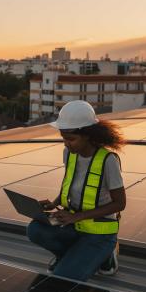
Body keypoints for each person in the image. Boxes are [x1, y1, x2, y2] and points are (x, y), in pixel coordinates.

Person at [27, 100, 126, 281]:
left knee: (64, 277)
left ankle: (106, 256)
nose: (66, 144)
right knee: (34, 230)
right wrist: (55, 203)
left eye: (70, 139)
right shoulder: (69, 153)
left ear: (87, 135)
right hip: (73, 226)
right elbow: (73, 184)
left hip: (99, 234)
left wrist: (77, 216)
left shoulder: (108, 160)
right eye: (63, 138)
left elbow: (120, 203)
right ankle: (72, 255)